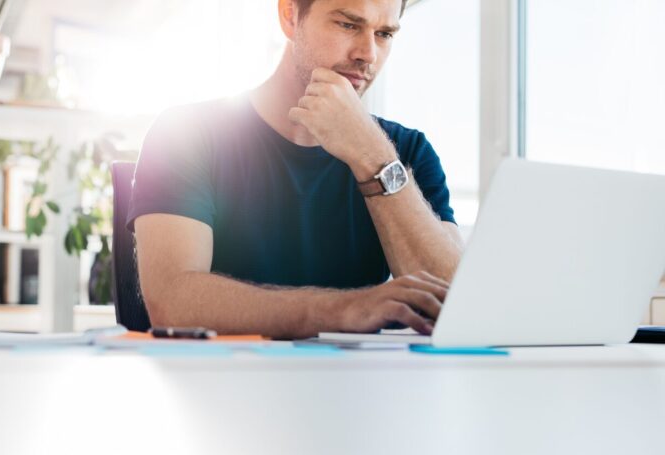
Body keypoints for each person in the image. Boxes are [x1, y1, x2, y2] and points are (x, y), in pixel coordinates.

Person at [128, 0, 464, 339]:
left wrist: (373, 157)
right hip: (224, 382)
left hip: (361, 386)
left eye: (384, 33)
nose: (368, 54)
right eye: (348, 25)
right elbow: (172, 302)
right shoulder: (185, 133)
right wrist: (345, 309)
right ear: (289, 16)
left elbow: (455, 303)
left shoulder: (405, 152)